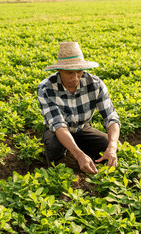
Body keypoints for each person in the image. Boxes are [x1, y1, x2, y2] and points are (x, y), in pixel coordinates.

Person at [37, 42, 121, 174]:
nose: (75, 78)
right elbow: (59, 125)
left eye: (79, 72)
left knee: (107, 143)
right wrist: (79, 156)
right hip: (58, 132)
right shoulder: (46, 88)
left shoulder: (95, 83)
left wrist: (112, 146)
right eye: (69, 73)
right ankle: (61, 167)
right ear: (59, 70)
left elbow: (111, 117)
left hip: (82, 128)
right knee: (54, 147)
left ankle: (84, 150)